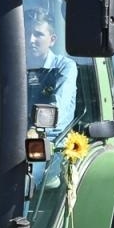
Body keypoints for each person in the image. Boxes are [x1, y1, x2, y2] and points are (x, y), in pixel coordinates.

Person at [25, 9, 76, 146]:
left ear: (52, 40)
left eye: (38, 34)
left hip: (52, 146)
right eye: (27, 33)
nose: (31, 40)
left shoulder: (65, 67)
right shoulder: (14, 66)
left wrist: (35, 130)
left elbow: (58, 106)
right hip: (15, 140)